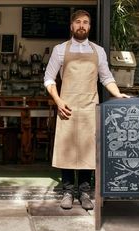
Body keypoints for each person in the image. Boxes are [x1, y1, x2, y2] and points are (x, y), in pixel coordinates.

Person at [44, 9, 130, 210]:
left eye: (85, 22)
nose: (81, 25)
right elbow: (49, 78)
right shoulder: (59, 50)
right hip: (67, 107)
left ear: (89, 27)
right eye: (78, 22)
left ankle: (84, 191)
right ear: (71, 26)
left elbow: (106, 77)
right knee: (67, 148)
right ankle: (67, 191)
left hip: (90, 107)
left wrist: (117, 94)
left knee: (87, 149)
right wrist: (58, 101)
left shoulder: (98, 51)